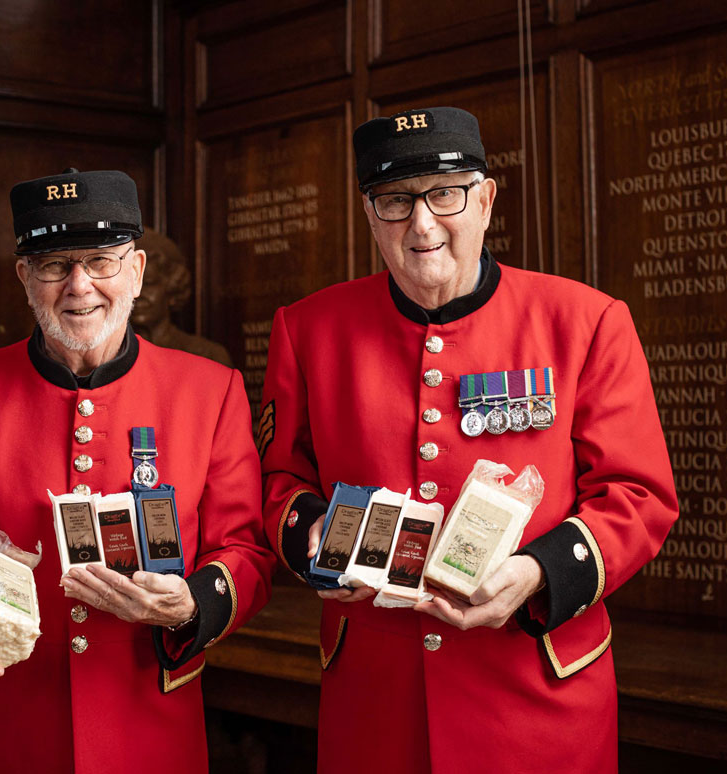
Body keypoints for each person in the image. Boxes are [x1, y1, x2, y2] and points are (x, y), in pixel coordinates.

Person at [259, 108, 677, 773]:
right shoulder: (308, 329)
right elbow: (280, 479)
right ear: (370, 213)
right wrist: (311, 537)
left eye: (444, 195)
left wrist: (537, 573)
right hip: (376, 700)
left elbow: (638, 494)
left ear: (485, 200)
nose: (421, 224)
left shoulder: (587, 320)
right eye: (395, 200)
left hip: (534, 696)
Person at [0, 169, 273, 773]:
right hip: (8, 728)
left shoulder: (210, 391)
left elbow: (245, 549)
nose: (79, 285)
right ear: (24, 278)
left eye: (100, 261)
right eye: (53, 265)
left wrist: (191, 605)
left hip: (149, 732)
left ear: (136, 271)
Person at [132, 229, 232, 366]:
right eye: (128, 284)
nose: (137, 293)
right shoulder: (108, 356)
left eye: (148, 284)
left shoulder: (206, 355)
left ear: (172, 289)